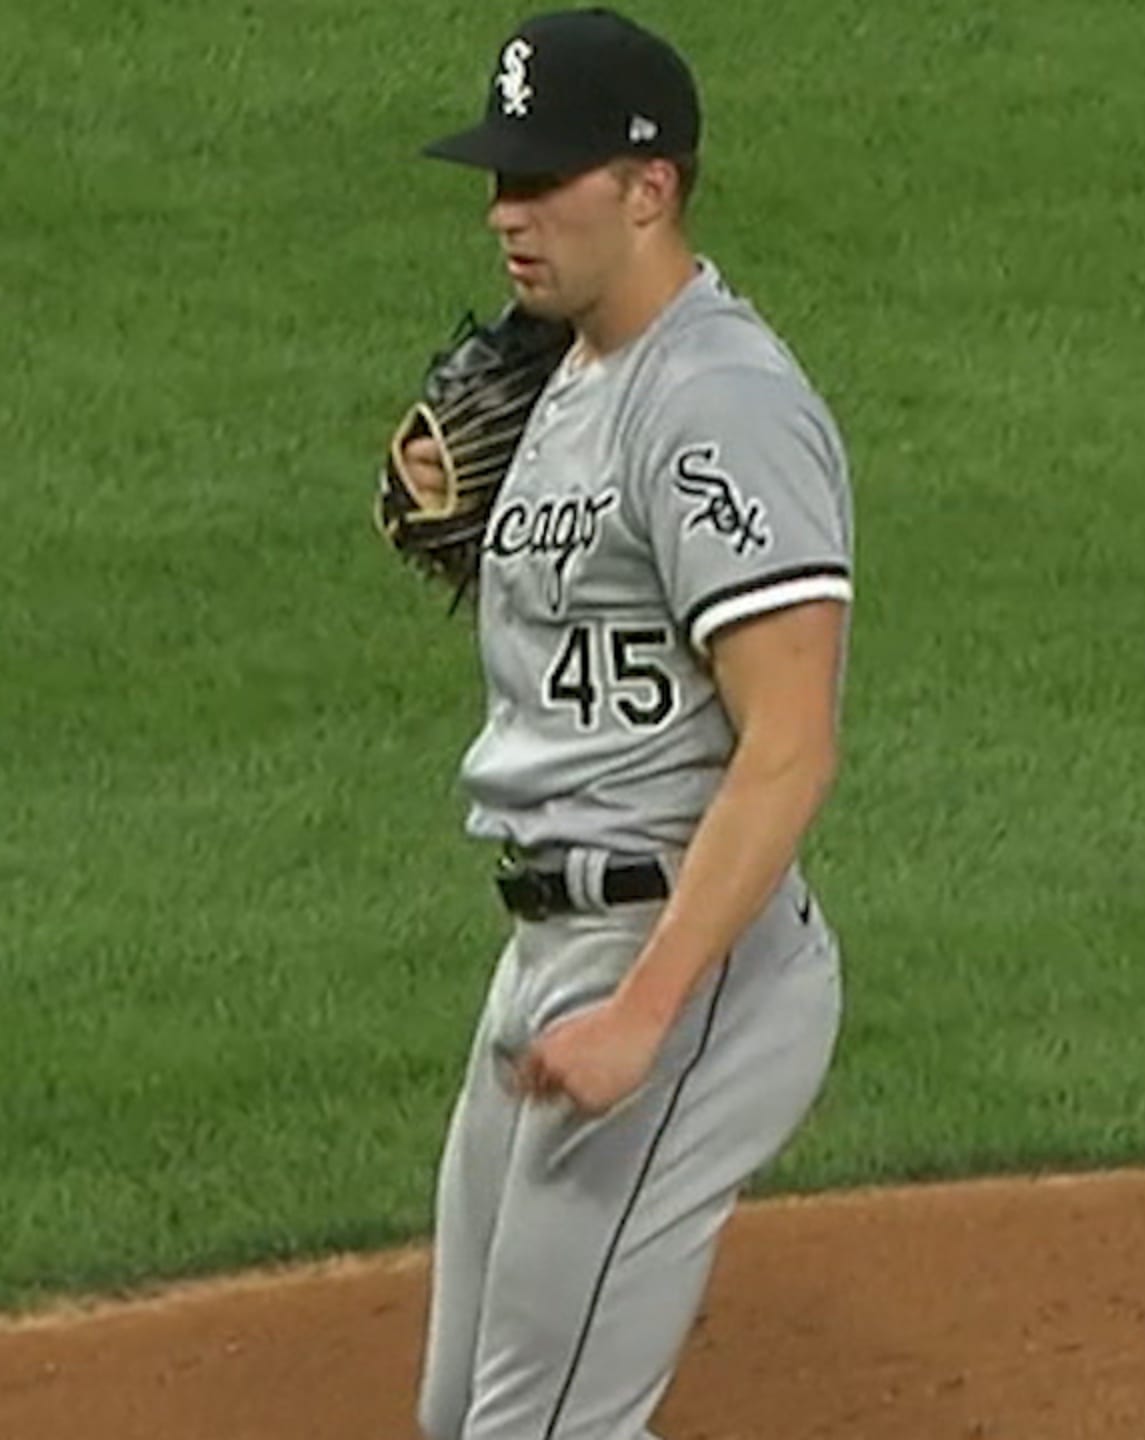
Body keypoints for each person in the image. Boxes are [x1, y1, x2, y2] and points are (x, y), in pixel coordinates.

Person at [394, 10, 857, 1438]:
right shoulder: (564, 375)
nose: (505, 213)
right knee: (464, 1422)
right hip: (549, 949)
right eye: (498, 180)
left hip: (678, 965)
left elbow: (788, 743)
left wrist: (643, 1015)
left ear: (649, 188)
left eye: (544, 180)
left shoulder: (718, 401)